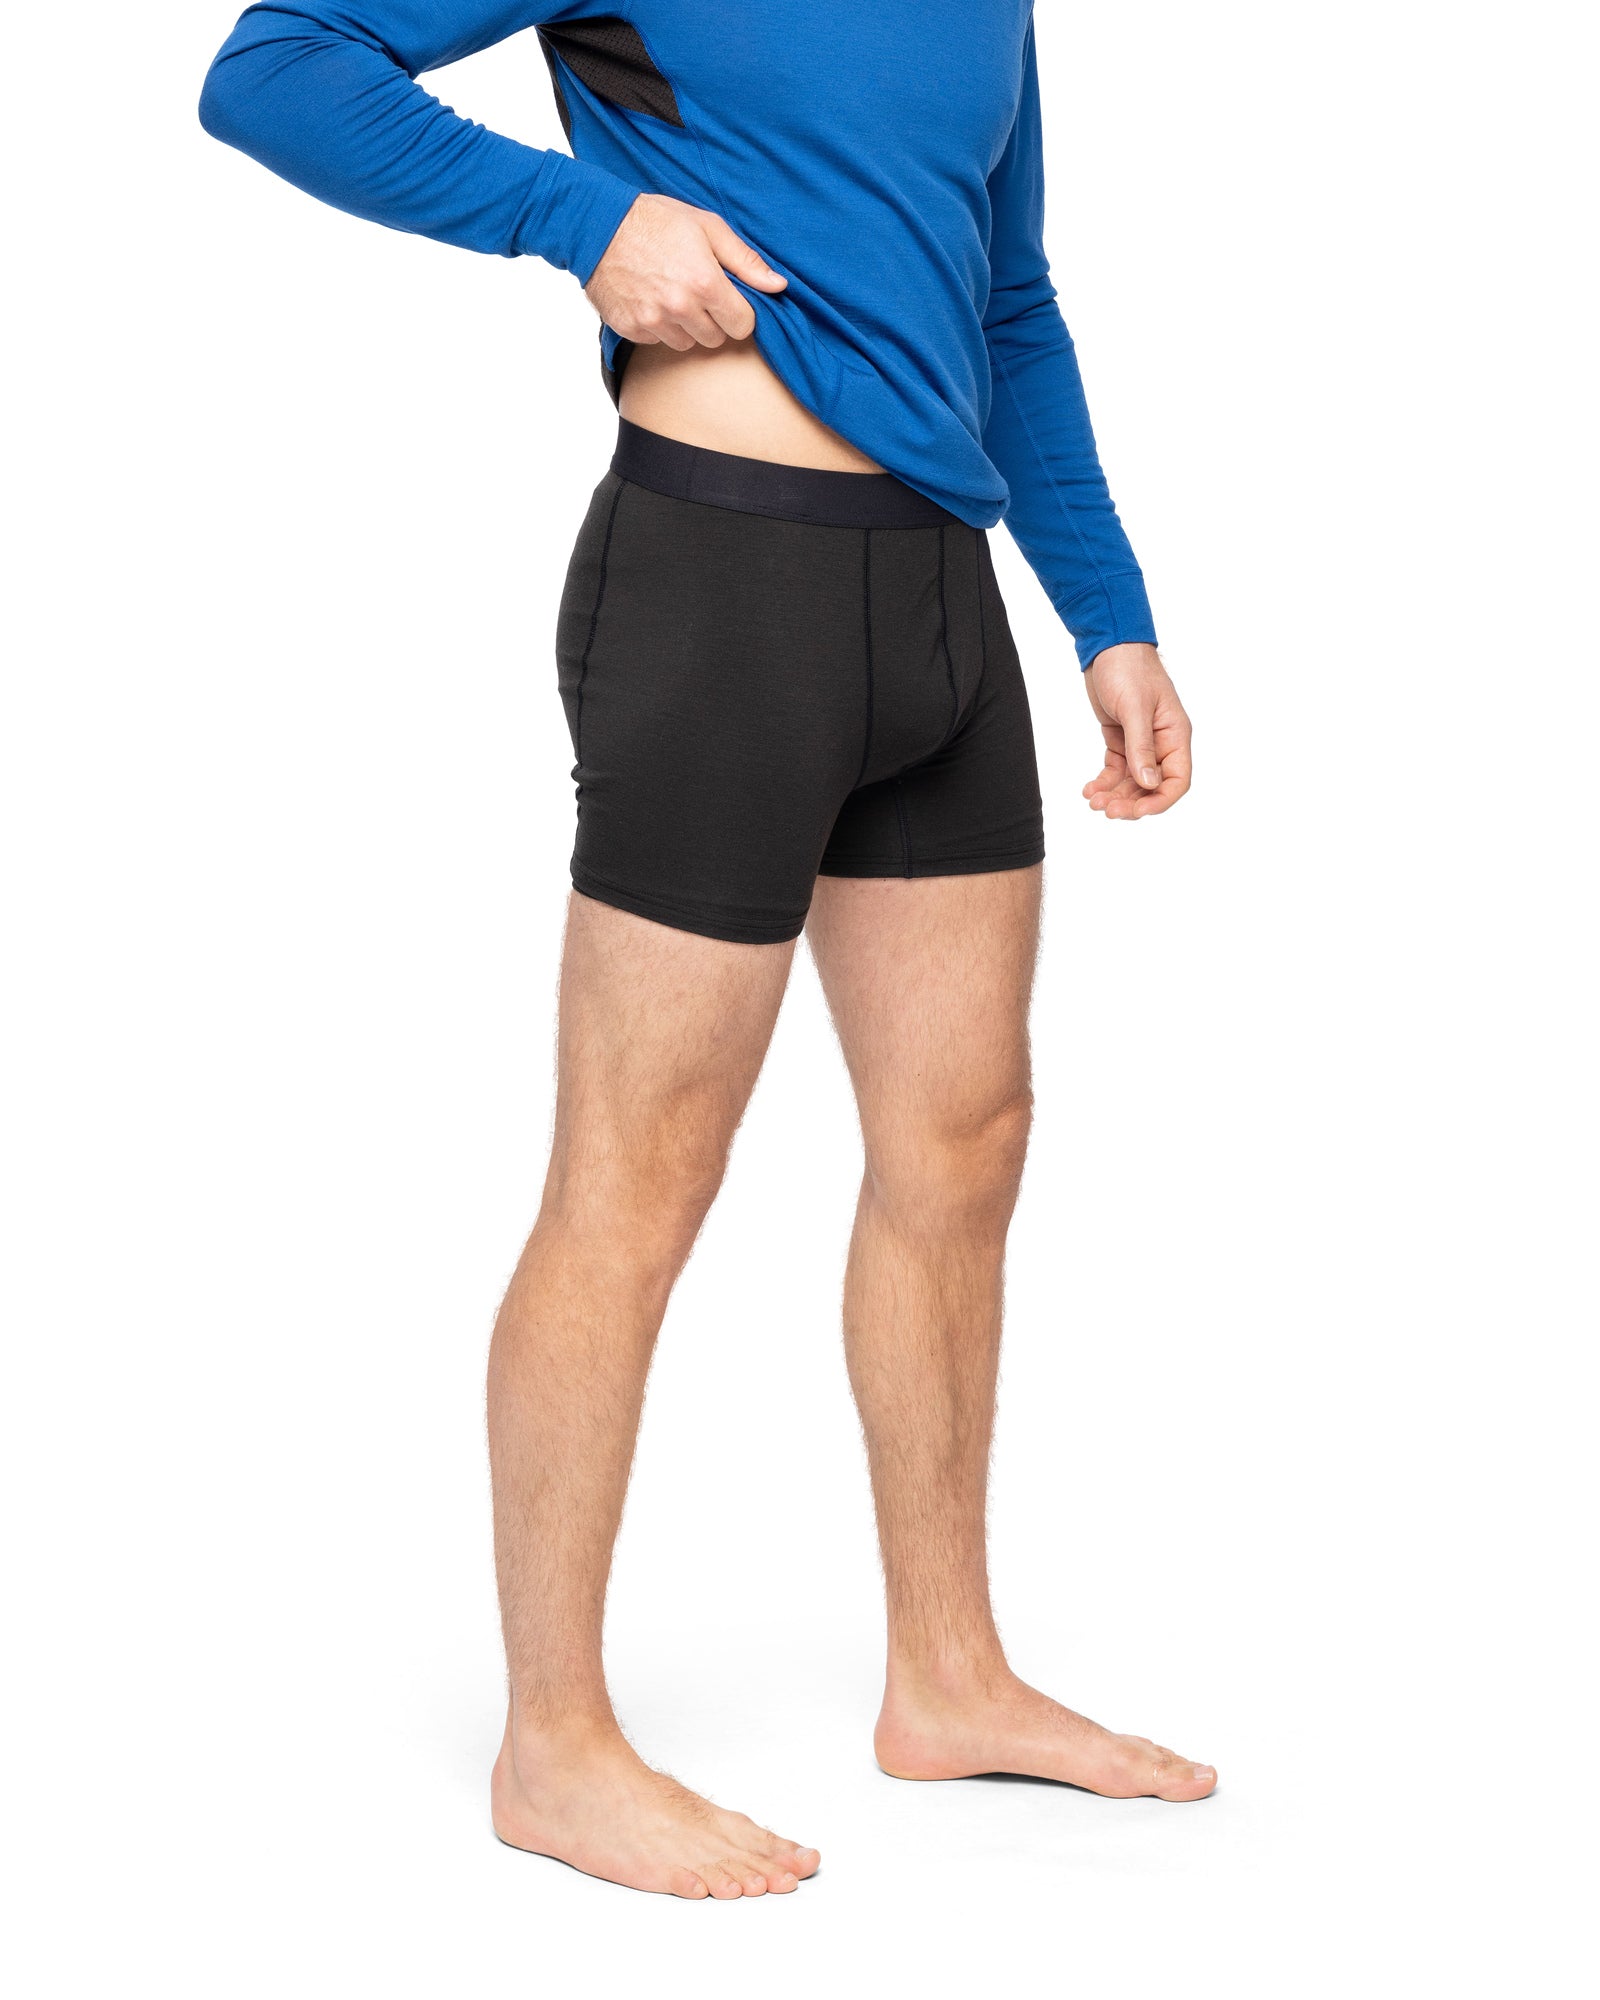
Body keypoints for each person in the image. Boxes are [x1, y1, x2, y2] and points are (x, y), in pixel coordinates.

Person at [199, 0, 1208, 1901]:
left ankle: (949, 1676)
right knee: (639, 1173)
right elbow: (275, 70)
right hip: (723, 583)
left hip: (942, 598)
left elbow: (1009, 300)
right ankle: (554, 1747)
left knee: (966, 1141)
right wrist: (579, 220)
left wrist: (1110, 614)